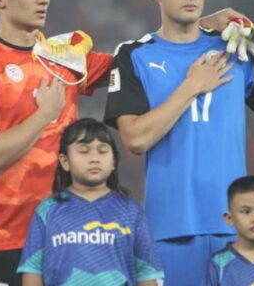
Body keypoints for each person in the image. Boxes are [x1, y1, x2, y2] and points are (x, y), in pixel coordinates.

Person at [0, 0, 254, 286]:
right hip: (6, 239)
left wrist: (200, 23)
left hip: (69, 237)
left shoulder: (62, 59)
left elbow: (139, 60)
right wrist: (45, 115)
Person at [103, 0, 254, 286]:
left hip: (236, 229)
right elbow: (136, 138)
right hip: (171, 228)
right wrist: (192, 86)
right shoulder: (133, 55)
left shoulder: (234, 49)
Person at [17, 118, 164, 286]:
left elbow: (147, 273)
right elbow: (32, 271)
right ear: (65, 161)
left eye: (102, 151)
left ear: (114, 162)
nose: (94, 158)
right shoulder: (48, 210)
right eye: (84, 151)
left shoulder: (131, 211)